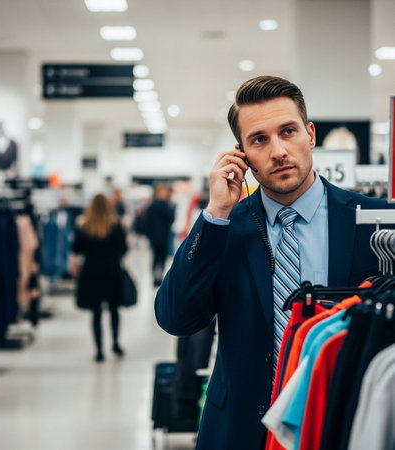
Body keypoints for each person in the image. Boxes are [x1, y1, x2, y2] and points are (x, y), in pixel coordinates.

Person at [154, 75, 394, 449]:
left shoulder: (374, 220)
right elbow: (176, 317)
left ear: (310, 134)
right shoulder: (224, 227)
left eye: (288, 131)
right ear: (243, 154)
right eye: (260, 139)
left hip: (337, 424)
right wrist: (215, 212)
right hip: (239, 431)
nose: (278, 150)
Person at [70, 193, 127, 362]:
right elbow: (123, 249)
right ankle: (116, 343)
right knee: (114, 309)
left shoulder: (84, 225)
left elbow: (76, 249)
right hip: (112, 270)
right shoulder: (116, 225)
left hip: (91, 272)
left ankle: (99, 351)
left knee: (96, 312)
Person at [146, 183, 175, 286]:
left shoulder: (152, 205)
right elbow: (171, 219)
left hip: (155, 236)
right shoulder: (166, 205)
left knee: (156, 256)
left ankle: (155, 276)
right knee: (161, 257)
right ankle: (158, 276)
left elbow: (147, 221)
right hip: (162, 235)